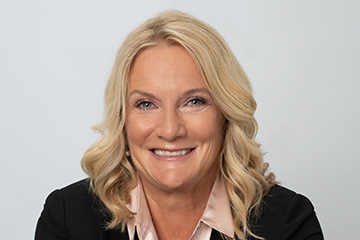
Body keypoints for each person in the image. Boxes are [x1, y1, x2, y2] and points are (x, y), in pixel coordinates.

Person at [35, 11, 324, 240]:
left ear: (225, 112)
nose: (170, 130)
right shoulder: (68, 218)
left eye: (194, 101)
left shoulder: (288, 223)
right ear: (123, 118)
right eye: (146, 104)